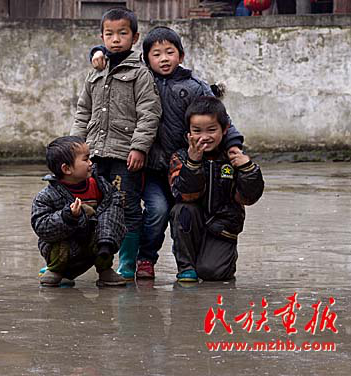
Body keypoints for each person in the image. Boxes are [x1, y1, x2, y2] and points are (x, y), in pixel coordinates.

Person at [91, 26, 244, 281]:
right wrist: (97, 52)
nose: (164, 59)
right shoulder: (140, 79)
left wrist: (234, 145)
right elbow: (116, 57)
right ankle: (146, 258)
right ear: (146, 58)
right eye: (156, 54)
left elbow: (220, 118)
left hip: (186, 167)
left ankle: (188, 264)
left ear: (181, 56)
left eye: (170, 52)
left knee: (184, 214)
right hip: (152, 169)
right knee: (158, 211)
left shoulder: (195, 87)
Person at [70, 8, 162, 280]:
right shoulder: (95, 73)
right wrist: (75, 146)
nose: (116, 39)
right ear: (102, 37)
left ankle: (127, 263)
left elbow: (149, 113)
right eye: (109, 34)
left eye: (122, 33)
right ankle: (94, 262)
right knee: (92, 205)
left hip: (125, 155)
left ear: (135, 37)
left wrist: (139, 148)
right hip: (95, 154)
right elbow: (83, 112)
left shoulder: (140, 73)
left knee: (126, 207)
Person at [169, 96, 264, 282]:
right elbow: (184, 195)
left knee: (212, 273)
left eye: (211, 130)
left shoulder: (233, 157)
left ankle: (220, 259)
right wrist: (193, 163)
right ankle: (186, 267)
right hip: (193, 225)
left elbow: (249, 198)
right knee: (182, 210)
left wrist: (248, 169)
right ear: (188, 132)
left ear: (225, 129)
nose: (204, 137)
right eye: (197, 131)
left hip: (222, 228)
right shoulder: (180, 157)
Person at [31, 135, 127, 287]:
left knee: (108, 225)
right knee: (59, 244)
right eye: (86, 159)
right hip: (68, 246)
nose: (91, 163)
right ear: (66, 169)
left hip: (94, 242)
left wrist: (107, 233)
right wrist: (67, 217)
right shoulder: (47, 196)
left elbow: (113, 204)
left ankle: (105, 269)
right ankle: (56, 270)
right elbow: (42, 227)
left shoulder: (99, 186)